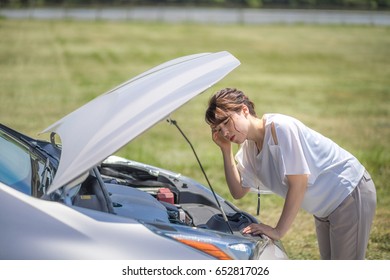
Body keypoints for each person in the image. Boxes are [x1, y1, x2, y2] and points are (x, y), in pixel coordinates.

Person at [205, 87, 377, 260]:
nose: (225, 132)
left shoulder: (279, 128)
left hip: (348, 194)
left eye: (226, 122)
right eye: (218, 129)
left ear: (244, 110)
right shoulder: (250, 147)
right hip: (324, 209)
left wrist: (277, 231)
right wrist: (226, 150)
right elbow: (238, 191)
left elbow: (299, 183)